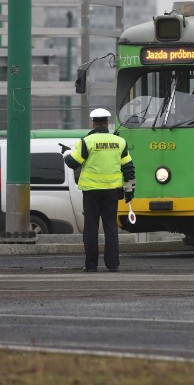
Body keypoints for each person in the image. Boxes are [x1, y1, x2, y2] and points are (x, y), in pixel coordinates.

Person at [63, 108, 135, 272]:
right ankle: (113, 264)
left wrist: (66, 153)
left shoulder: (86, 142)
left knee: (91, 227)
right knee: (111, 227)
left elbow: (73, 162)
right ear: (107, 123)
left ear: (93, 124)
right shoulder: (119, 142)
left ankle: (91, 265)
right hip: (112, 191)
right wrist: (130, 191)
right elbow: (129, 168)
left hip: (91, 191)